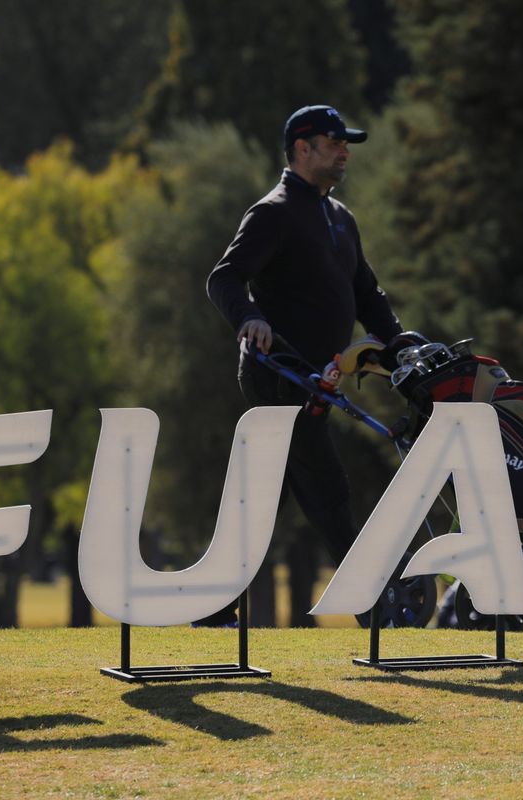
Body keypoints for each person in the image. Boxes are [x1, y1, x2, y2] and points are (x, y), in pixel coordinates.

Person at [203, 105, 404, 625]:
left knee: (271, 493)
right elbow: (224, 278)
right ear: (301, 149)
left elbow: (367, 295)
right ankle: (373, 606)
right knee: (327, 486)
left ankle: (213, 605)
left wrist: (402, 346)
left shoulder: (340, 218)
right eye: (334, 142)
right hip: (279, 373)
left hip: (318, 382)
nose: (344, 152)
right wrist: (249, 318)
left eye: (346, 143)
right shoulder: (274, 212)